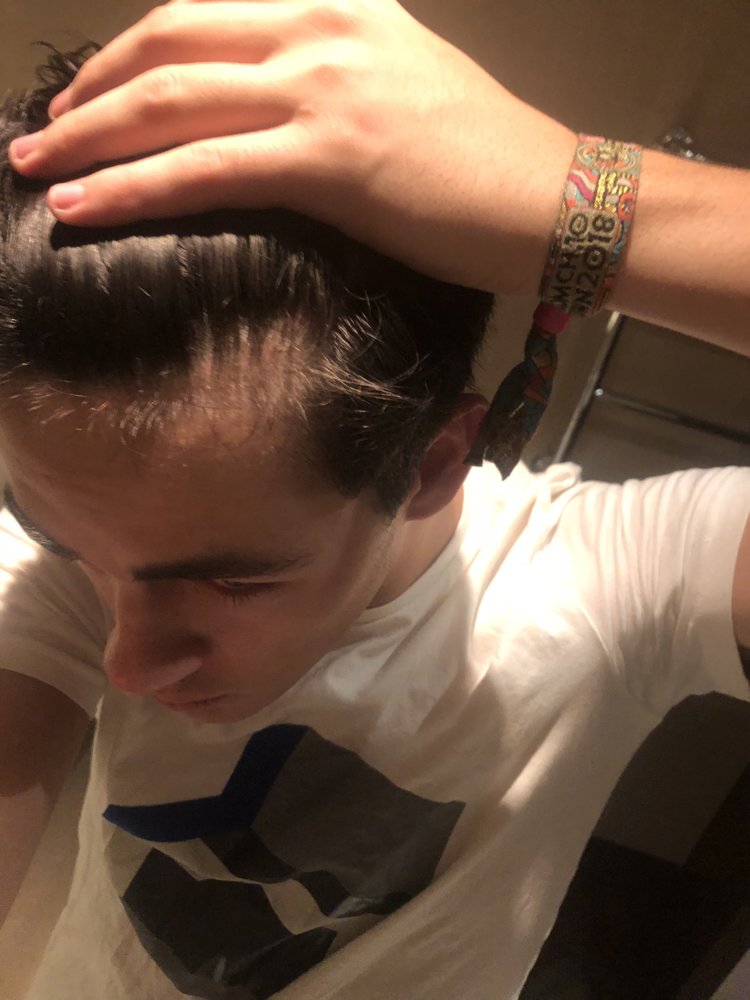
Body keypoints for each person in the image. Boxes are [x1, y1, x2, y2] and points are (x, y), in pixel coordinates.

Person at [0, 3, 748, 999]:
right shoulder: (75, 561)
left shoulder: (615, 587)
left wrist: (580, 198)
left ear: (436, 462)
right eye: (65, 543)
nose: (127, 665)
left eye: (235, 581)